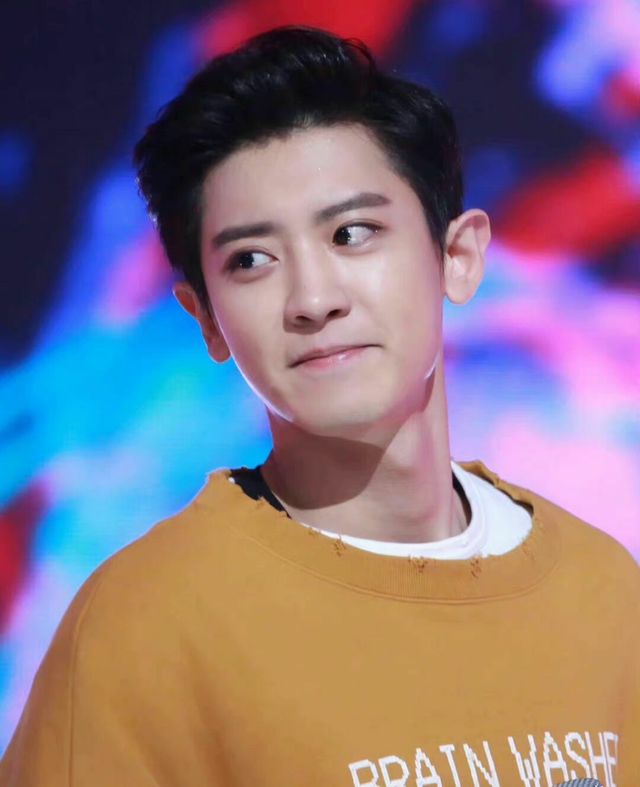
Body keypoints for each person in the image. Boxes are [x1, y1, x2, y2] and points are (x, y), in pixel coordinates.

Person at [1, 25, 638, 787]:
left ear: (459, 258)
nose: (313, 297)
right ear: (207, 319)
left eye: (353, 233)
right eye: (251, 260)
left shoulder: (601, 580)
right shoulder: (141, 627)